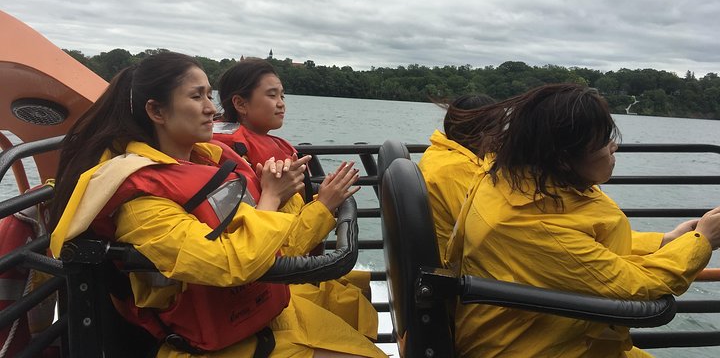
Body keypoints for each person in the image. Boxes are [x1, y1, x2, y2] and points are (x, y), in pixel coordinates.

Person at [48, 51, 387, 358]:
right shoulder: (142, 202)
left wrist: (310, 205)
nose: (212, 108)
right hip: (210, 346)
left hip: (259, 319)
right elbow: (230, 265)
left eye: (209, 95)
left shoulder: (208, 164)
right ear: (156, 111)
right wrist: (271, 197)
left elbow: (275, 249)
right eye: (197, 96)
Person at [444, 83, 720, 358]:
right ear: (563, 159)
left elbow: (579, 248)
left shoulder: (511, 183)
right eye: (603, 141)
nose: (613, 147)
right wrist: (701, 242)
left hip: (555, 335)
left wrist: (665, 241)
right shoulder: (530, 223)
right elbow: (638, 289)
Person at [213, 58, 377, 340]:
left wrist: (323, 199)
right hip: (273, 291)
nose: (281, 104)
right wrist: (325, 205)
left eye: (283, 96)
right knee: (352, 303)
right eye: (272, 95)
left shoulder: (270, 150)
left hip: (290, 280)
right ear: (240, 103)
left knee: (359, 289)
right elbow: (272, 252)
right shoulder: (237, 164)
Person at [417, 93, 495, 255]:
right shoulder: (459, 169)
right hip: (451, 263)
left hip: (435, 254)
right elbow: (484, 228)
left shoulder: (437, 152)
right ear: (483, 134)